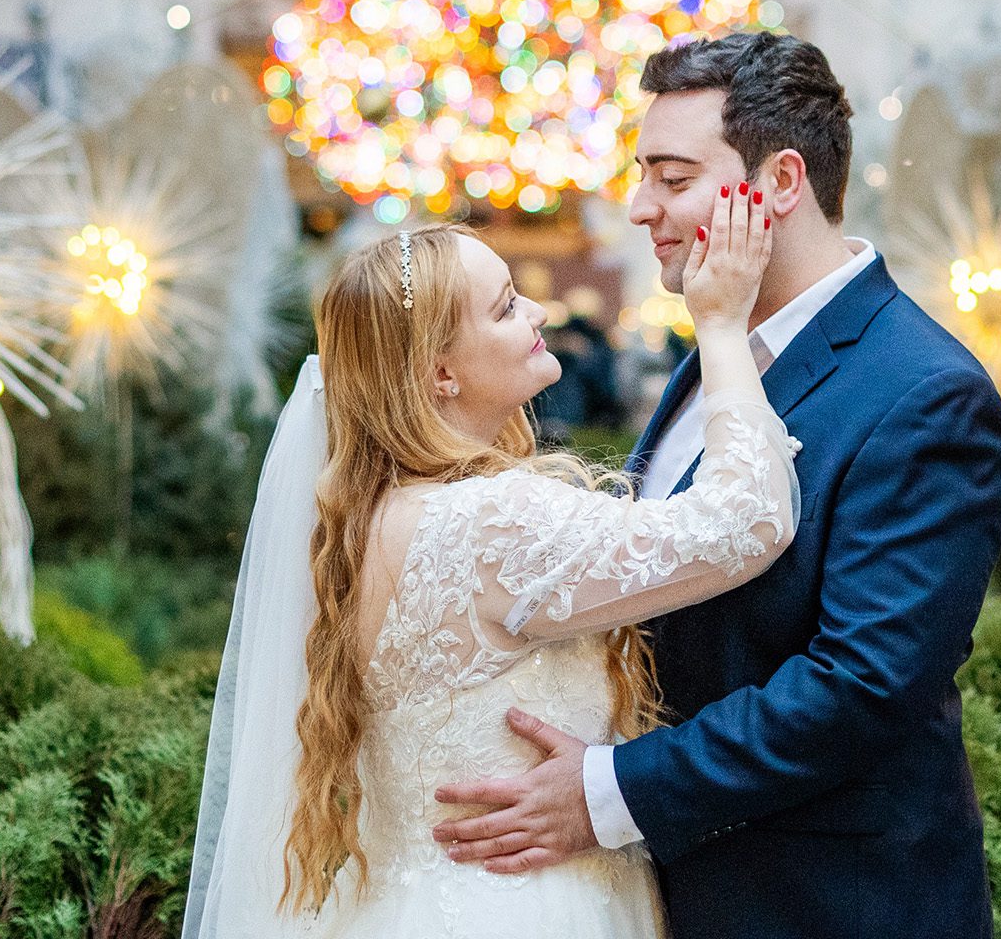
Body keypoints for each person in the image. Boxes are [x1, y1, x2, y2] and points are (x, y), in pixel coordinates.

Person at [427, 30, 1001, 939]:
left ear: (778, 184)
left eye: (672, 178)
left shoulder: (925, 395)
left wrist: (611, 792)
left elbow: (862, 686)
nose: (639, 207)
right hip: (668, 892)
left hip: (826, 904)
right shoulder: (717, 344)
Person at [183, 183, 794, 938]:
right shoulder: (488, 521)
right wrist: (724, 327)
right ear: (443, 372)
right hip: (525, 908)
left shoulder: (372, 518)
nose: (538, 313)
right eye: (506, 308)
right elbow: (746, 523)